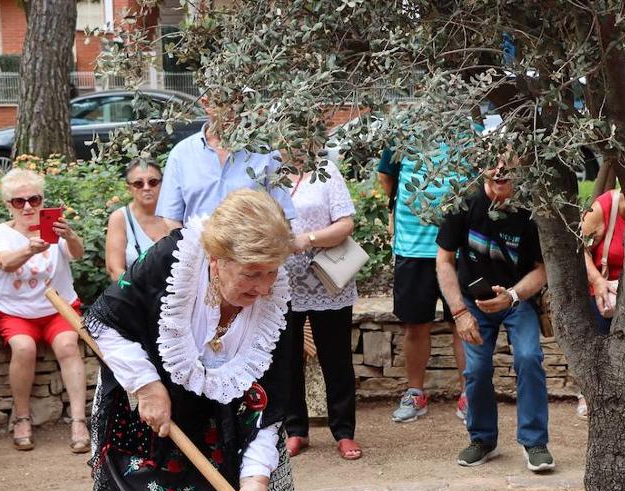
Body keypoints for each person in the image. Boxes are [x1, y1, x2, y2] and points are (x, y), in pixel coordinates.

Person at [84, 189, 300, 491]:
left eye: (271, 272)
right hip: (148, 412)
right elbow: (104, 323)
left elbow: (273, 397)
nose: (265, 286)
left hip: (232, 420)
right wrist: (146, 383)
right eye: (252, 274)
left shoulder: (275, 297)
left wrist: (256, 478)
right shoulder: (170, 262)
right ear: (218, 260)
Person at [436, 161, 552, 472]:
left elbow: (542, 269)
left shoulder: (529, 211)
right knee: (476, 368)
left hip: (518, 299)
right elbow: (444, 260)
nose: (500, 171)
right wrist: (459, 312)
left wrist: (512, 296)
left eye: (508, 165)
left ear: (521, 167)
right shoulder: (463, 203)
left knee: (529, 357)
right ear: (483, 168)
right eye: (493, 164)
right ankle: (482, 440)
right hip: (473, 303)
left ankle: (535, 442)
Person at [0, 168, 89, 453]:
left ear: (43, 201)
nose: (29, 206)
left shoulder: (53, 228)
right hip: (16, 311)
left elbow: (78, 254)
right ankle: (21, 418)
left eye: (34, 199)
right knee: (23, 348)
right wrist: (30, 250)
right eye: (20, 201)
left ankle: (79, 421)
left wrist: (70, 236)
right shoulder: (2, 233)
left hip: (58, 306)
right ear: (9, 205)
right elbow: (6, 262)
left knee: (68, 346)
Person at [281, 154, 361, 460]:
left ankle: (344, 432)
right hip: (281, 282)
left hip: (327, 279)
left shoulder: (326, 171)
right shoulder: (267, 173)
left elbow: (346, 223)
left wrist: (308, 239)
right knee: (286, 358)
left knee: (336, 357)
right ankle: (295, 430)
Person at [378, 147, 467, 422]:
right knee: (415, 325)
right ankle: (415, 393)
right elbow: (386, 179)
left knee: (464, 325)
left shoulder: (470, 129)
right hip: (413, 249)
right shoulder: (402, 135)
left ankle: (469, 396)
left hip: (460, 251)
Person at [156, 94, 296, 224]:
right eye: (225, 104)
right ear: (206, 105)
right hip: (197, 247)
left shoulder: (266, 153)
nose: (233, 112)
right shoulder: (182, 154)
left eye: (239, 104)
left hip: (250, 248)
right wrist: (190, 247)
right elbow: (171, 217)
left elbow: (283, 215)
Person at [574, 185, 625, 417]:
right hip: (603, 286)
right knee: (598, 336)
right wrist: (596, 280)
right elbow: (578, 247)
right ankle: (589, 392)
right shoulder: (604, 207)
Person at [105, 158, 180, 283]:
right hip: (136, 296)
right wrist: (138, 292)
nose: (146, 188)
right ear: (129, 188)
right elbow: (114, 269)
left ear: (163, 184)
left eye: (153, 182)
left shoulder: (175, 215)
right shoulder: (120, 218)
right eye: (138, 183)